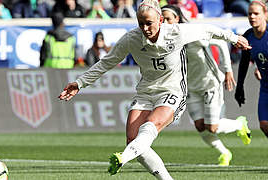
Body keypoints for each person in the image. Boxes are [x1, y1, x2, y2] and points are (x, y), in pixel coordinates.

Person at [58, 0, 250, 179]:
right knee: (133, 140)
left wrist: (234, 38)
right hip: (146, 92)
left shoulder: (176, 32)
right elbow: (106, 62)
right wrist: (80, 83)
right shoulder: (132, 38)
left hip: (173, 91)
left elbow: (208, 30)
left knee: (151, 126)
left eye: (149, 23)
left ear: (160, 20)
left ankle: (123, 158)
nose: (145, 28)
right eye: (141, 23)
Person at [161, 4, 252, 167]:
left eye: (168, 19)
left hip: (210, 83)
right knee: (200, 126)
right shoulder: (163, 41)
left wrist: (228, 70)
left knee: (212, 127)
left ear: (177, 19)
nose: (165, 23)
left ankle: (240, 124)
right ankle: (224, 153)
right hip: (190, 87)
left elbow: (221, 43)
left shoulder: (192, 33)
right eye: (163, 20)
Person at [235, 0, 268, 138]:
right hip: (265, 87)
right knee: (264, 125)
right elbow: (244, 63)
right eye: (250, 14)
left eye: (256, 13)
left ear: (265, 14)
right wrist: (240, 86)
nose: (252, 17)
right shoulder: (248, 36)